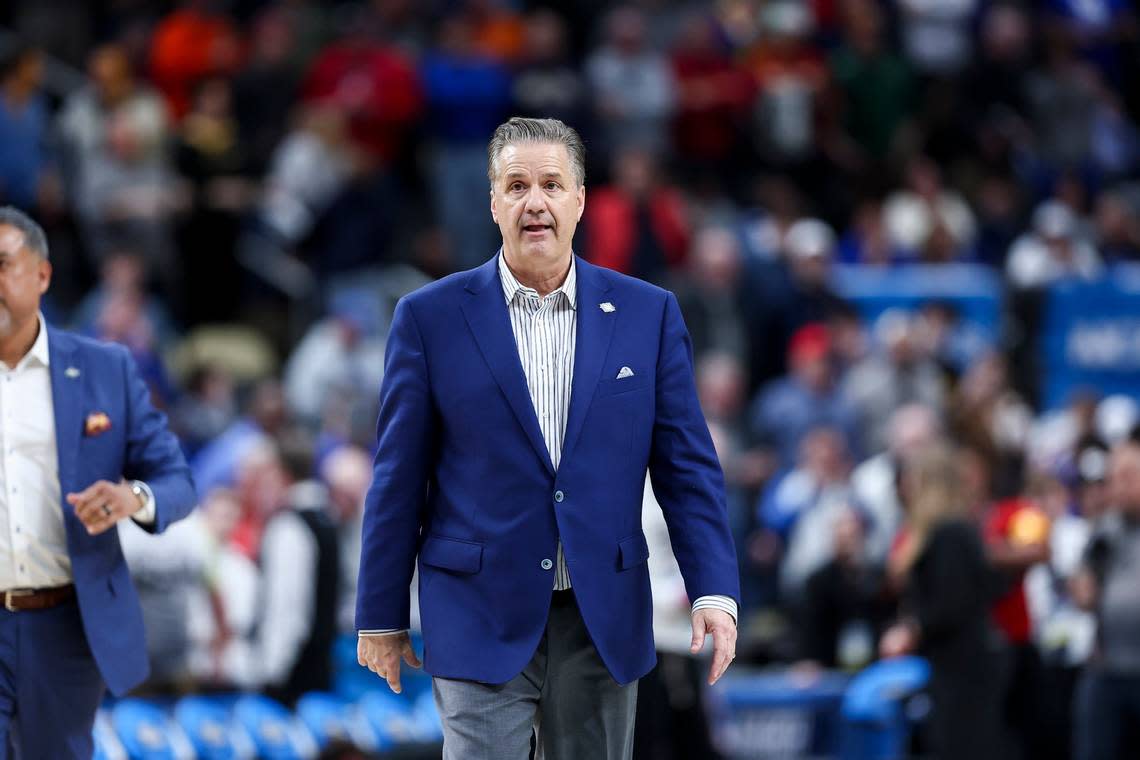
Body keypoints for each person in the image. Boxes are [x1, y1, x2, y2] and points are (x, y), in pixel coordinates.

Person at [354, 117, 740, 760]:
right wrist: (381, 614)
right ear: (494, 202)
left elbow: (687, 470)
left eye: (553, 184)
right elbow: (398, 478)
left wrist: (714, 590)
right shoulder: (427, 318)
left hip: (603, 615)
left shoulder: (649, 313)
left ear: (581, 200)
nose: (535, 201)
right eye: (517, 185)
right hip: (476, 608)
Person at [0, 205, 196, 757]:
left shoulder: (104, 369)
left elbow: (176, 479)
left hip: (64, 623)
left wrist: (132, 497)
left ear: (42, 275)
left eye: (2, 264)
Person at [880, 444, 1008, 760]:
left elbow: (953, 603)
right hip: (954, 663)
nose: (904, 486)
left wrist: (912, 629)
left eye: (912, 478)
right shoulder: (948, 530)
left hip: (966, 668)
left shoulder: (950, 533)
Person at [1071, 439, 1140, 760]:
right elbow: (1084, 593)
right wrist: (1082, 587)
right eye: (1114, 478)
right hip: (1107, 668)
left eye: (1129, 476)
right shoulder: (1105, 531)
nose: (1120, 487)